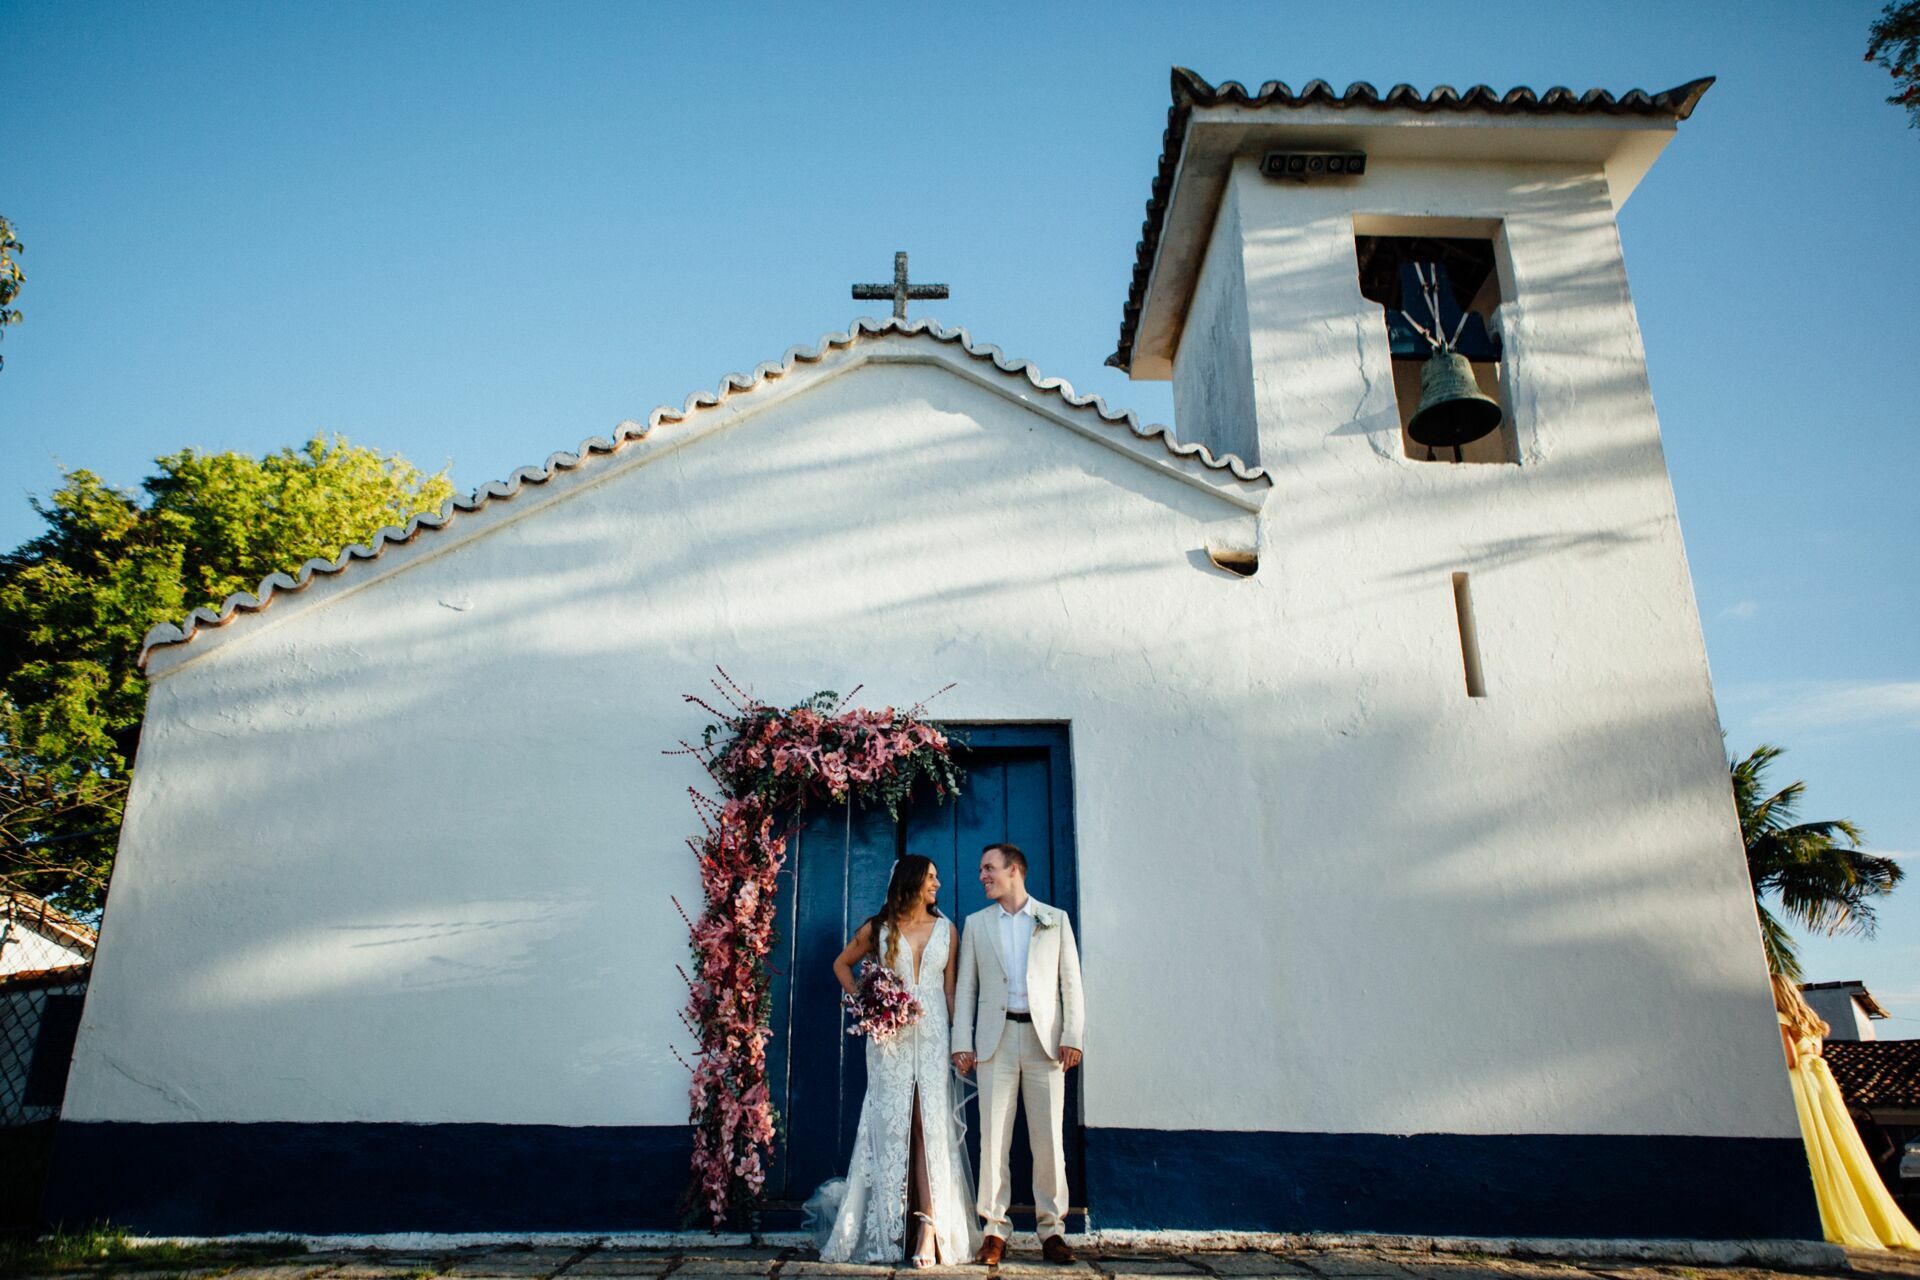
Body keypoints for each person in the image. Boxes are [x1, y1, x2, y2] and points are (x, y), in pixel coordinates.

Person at [818, 856, 982, 1267]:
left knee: (929, 1124)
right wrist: (868, 1001)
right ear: (911, 881)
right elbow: (841, 964)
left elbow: (949, 992)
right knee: (893, 1123)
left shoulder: (947, 930)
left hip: (931, 1039)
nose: (938, 884)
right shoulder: (879, 929)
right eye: (931, 877)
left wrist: (959, 1041)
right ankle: (889, 1226)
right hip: (889, 1041)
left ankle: (929, 1227)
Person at [952, 843, 1085, 1266]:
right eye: (980, 869)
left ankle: (1052, 1231)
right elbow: (966, 989)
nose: (982, 876)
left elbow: (1071, 985)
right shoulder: (976, 924)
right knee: (993, 1138)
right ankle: (993, 1229)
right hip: (996, 1039)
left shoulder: (1054, 920)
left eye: (989, 868)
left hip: (1046, 1042)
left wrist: (1073, 1035)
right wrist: (962, 1041)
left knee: (1049, 1140)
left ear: (1014, 871)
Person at [1773, 974, 1920, 1250]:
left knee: (1812, 1147)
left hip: (1800, 1084)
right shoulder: (1811, 1023)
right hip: (1820, 1083)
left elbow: (1790, 1059)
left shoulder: (1782, 1019)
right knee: (1837, 1147)